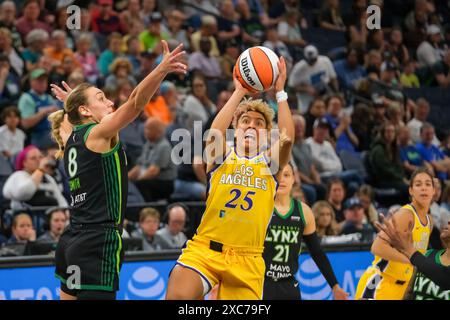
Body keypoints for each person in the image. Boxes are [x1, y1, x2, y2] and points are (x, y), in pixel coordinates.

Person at [47, 40, 186, 300]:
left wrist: (72, 104)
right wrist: (161, 70)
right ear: (86, 111)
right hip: (99, 241)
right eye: (101, 98)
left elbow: (68, 121)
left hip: (72, 239)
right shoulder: (98, 132)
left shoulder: (70, 139)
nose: (110, 102)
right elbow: (135, 102)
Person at [166, 57, 294, 300]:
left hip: (248, 258)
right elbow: (214, 133)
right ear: (236, 127)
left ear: (266, 134)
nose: (251, 126)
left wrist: (280, 93)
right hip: (205, 249)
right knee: (178, 298)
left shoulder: (270, 164)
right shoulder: (223, 155)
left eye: (259, 124)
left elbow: (287, 138)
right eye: (245, 121)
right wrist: (239, 92)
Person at [262, 163, 348, 300]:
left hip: (288, 285)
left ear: (293, 179)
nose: (282, 179)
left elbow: (317, 252)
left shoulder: (304, 211)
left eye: (286, 175)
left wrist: (335, 286)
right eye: (277, 175)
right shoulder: (260, 207)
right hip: (260, 283)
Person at [355, 168, 434, 300]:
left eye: (427, 184)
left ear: (434, 191)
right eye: (418, 184)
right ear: (411, 190)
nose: (423, 188)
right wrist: (412, 259)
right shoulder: (405, 215)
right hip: (381, 282)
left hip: (401, 287)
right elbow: (377, 247)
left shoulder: (429, 221)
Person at [375, 215, 450, 294]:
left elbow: (445, 278)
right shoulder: (427, 255)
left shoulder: (420, 259)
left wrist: (409, 249)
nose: (449, 221)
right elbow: (409, 292)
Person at [3, 145, 68, 209]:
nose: (38, 160)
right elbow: (23, 193)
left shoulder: (48, 178)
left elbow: (61, 201)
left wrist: (65, 213)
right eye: (33, 158)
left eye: (40, 157)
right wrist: (40, 170)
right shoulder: (18, 175)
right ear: (24, 162)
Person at [128, 117, 176, 201]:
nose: (145, 131)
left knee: (140, 185)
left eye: (148, 129)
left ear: (158, 132)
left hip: (164, 182)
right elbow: (139, 166)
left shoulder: (164, 146)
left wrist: (136, 181)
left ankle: (147, 206)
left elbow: (153, 171)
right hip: (151, 180)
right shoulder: (148, 144)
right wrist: (126, 179)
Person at [18, 68, 59, 149]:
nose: (43, 83)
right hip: (36, 138)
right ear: (31, 82)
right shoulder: (27, 98)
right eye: (39, 80)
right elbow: (25, 124)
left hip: (52, 136)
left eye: (44, 80)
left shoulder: (48, 97)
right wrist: (44, 112)